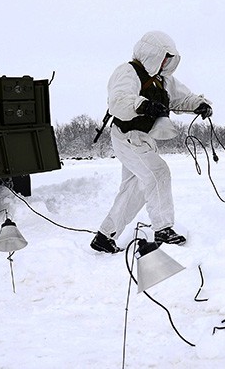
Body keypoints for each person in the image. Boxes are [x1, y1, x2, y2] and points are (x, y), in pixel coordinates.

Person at [90, 31, 213, 254]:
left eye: (169, 58)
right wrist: (143, 105)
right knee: (158, 173)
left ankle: (105, 236)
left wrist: (199, 104)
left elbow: (181, 98)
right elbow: (118, 102)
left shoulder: (163, 80)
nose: (166, 62)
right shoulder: (128, 71)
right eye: (164, 57)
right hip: (127, 136)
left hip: (143, 139)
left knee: (135, 188)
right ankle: (163, 229)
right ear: (152, 54)